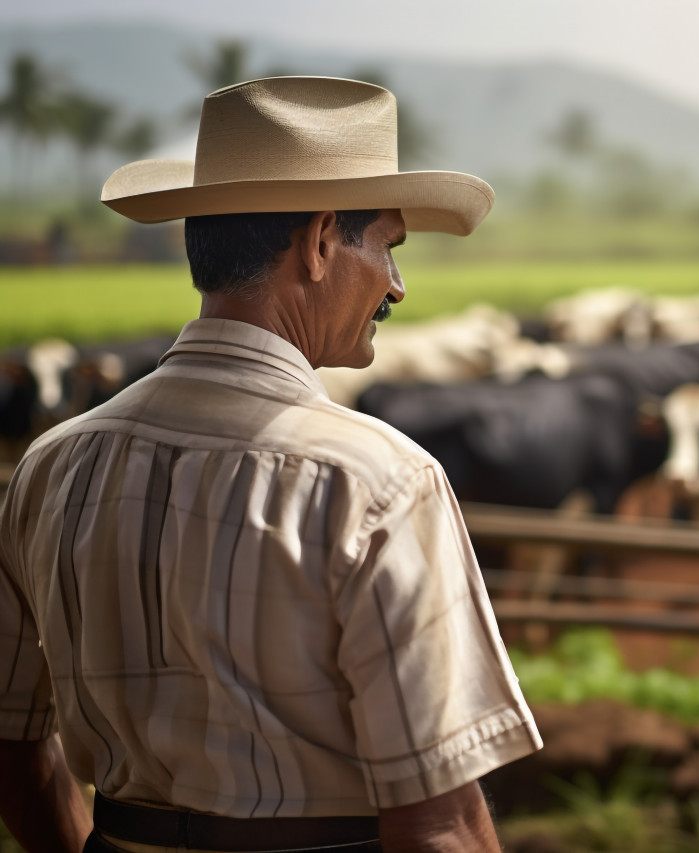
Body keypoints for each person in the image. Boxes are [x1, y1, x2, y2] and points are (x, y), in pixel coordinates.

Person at [0, 76, 542, 853]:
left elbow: (13, 745)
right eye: (386, 244)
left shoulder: (50, 469)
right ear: (321, 241)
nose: (396, 282)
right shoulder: (377, 483)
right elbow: (439, 827)